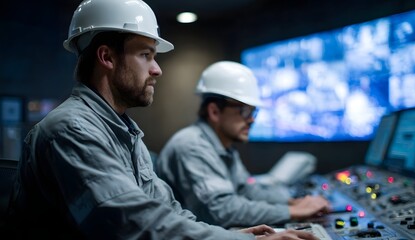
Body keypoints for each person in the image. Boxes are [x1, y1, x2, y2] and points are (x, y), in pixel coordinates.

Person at [6, 0, 320, 239]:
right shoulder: (72, 129)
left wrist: (232, 235)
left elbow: (165, 210)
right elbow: (133, 223)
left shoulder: (125, 132)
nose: (157, 69)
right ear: (107, 57)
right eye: (146, 55)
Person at [156, 61, 331, 228]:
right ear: (215, 111)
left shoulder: (223, 145)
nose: (252, 119)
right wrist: (291, 211)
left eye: (254, 111)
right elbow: (223, 210)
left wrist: (291, 202)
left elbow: (246, 189)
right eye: (244, 110)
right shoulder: (192, 146)